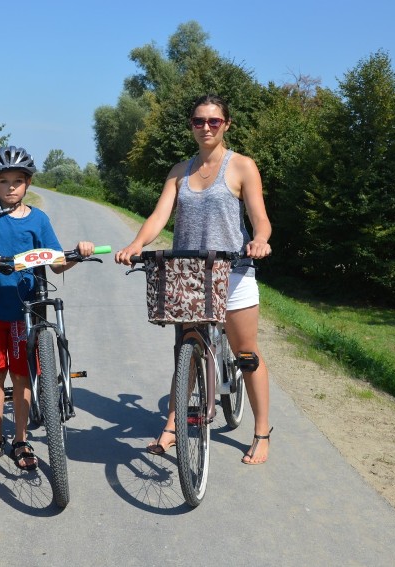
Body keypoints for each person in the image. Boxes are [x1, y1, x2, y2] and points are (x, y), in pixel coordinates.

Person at [115, 94, 274, 465]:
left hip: (233, 271)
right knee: (187, 351)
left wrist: (260, 241)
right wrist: (136, 244)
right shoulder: (179, 171)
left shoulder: (242, 167)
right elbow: (159, 217)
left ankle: (262, 431)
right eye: (199, 121)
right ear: (191, 125)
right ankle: (173, 424)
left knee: (246, 355)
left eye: (214, 121)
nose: (206, 127)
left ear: (226, 125)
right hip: (189, 274)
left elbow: (260, 218)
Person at [0, 145, 94, 471]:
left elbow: (57, 264)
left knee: (22, 376)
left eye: (17, 181)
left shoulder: (38, 219)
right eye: (3, 180)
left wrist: (78, 253)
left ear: (27, 184)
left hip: (29, 309)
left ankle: (20, 439)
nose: (11, 186)